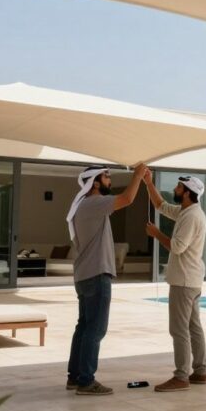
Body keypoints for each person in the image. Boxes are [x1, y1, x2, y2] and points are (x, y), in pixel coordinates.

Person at [65, 163, 148, 395]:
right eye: (107, 176)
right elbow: (128, 199)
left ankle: (75, 377)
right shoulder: (94, 203)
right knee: (96, 329)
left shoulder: (83, 205)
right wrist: (139, 175)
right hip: (96, 274)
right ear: (96, 181)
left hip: (84, 275)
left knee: (84, 327)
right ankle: (86, 381)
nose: (110, 180)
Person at [142, 172, 206, 393]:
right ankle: (200, 372)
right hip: (191, 280)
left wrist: (155, 233)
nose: (176, 189)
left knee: (179, 330)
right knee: (193, 327)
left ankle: (181, 377)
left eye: (179, 187)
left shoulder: (191, 217)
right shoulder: (186, 211)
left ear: (188, 193)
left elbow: (178, 247)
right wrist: (149, 183)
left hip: (184, 281)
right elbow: (160, 205)